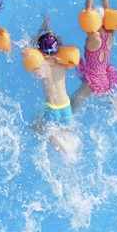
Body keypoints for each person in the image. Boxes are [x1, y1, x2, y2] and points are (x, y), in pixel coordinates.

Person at [70, 0, 117, 110]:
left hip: (92, 80)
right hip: (105, 79)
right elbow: (108, 7)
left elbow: (87, 7)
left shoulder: (94, 37)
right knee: (112, 98)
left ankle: (63, 127)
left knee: (73, 103)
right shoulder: (110, 33)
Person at [28, 17, 74, 153]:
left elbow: (29, 50)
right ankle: (65, 143)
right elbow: (61, 44)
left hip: (52, 109)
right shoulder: (62, 64)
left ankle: (59, 143)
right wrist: (50, 31)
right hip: (67, 107)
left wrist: (41, 30)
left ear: (40, 52)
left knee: (35, 125)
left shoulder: (41, 68)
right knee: (64, 130)